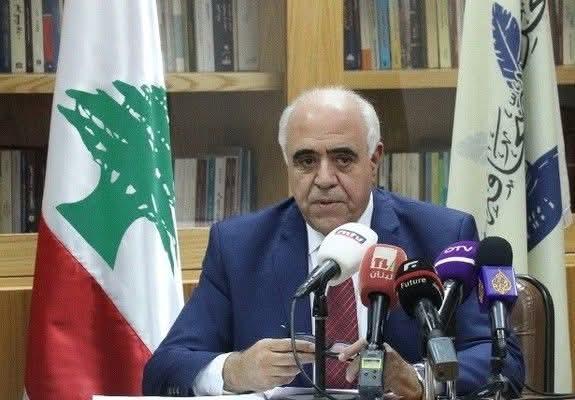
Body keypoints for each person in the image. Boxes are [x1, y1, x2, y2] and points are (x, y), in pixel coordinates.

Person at [142, 87, 525, 398]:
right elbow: (165, 368)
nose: (324, 179)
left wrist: (419, 379)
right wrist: (235, 370)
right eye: (306, 161)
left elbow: (501, 361)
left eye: (343, 159)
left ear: (374, 160)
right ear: (287, 163)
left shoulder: (442, 235)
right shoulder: (239, 245)